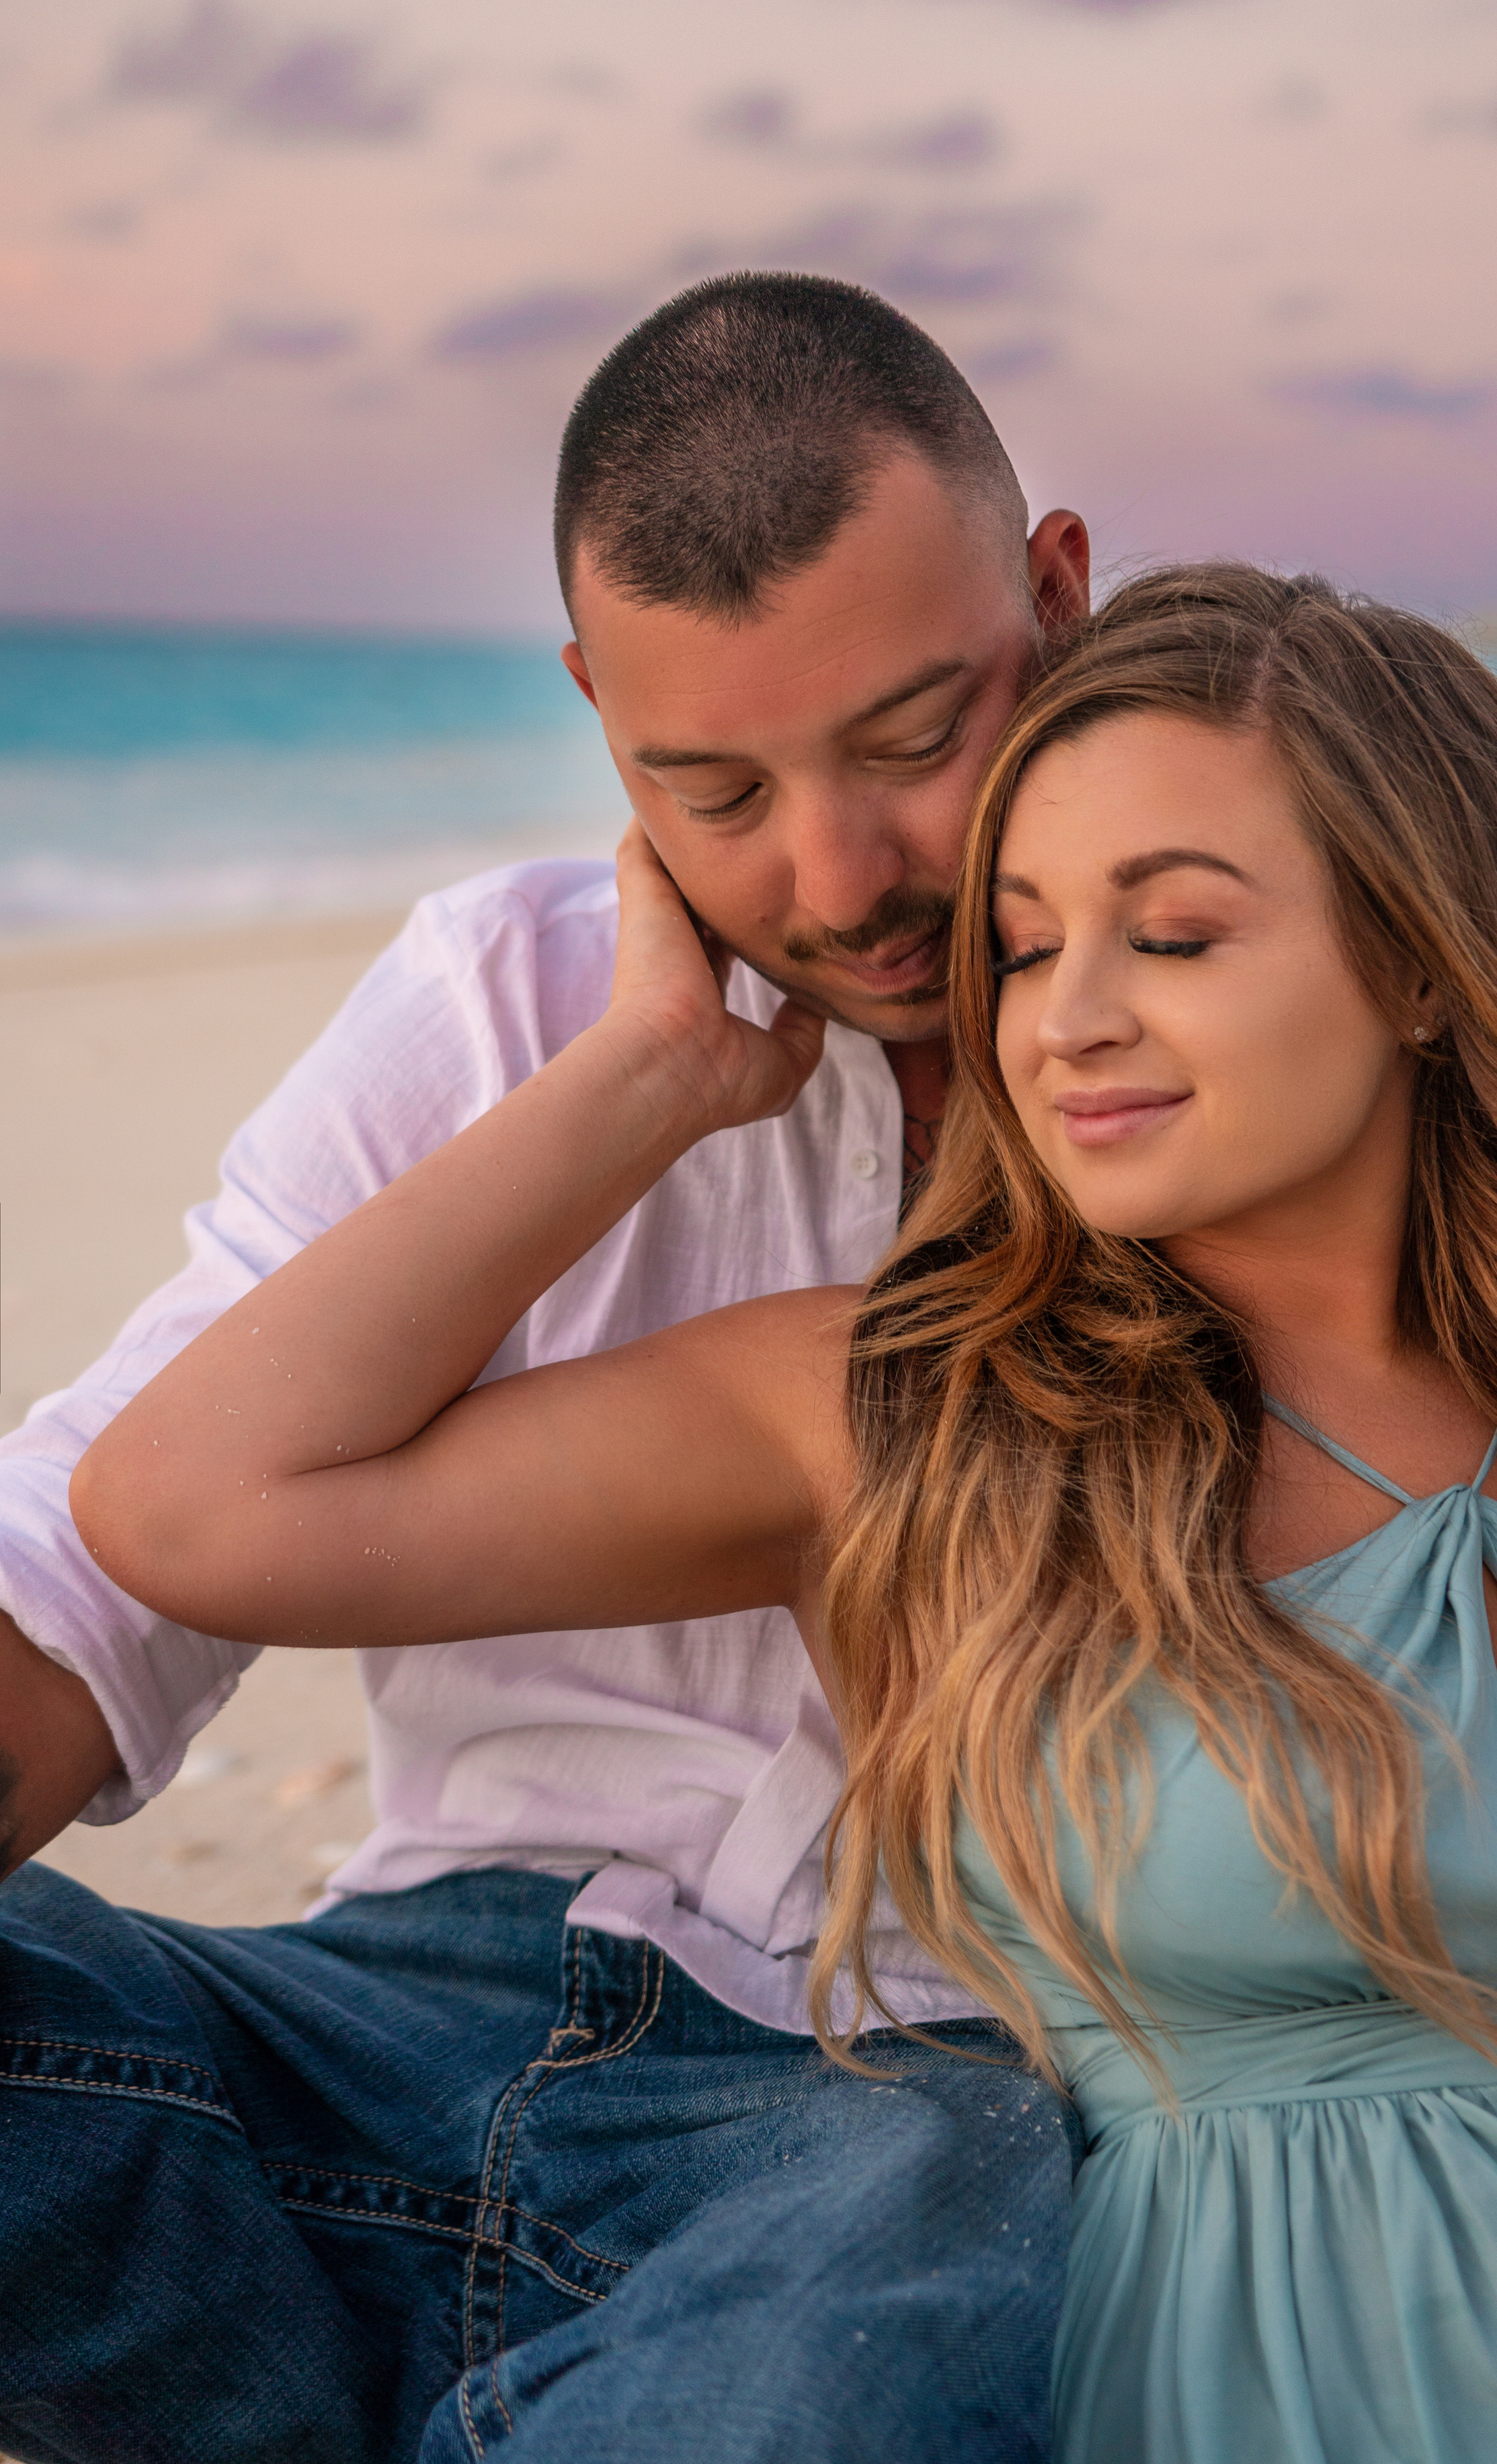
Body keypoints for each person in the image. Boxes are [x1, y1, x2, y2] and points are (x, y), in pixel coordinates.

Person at [79, 560, 1497, 2463]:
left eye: (1172, 934)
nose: (1066, 1020)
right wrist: (651, 1077)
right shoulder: (918, 1413)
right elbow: (189, 1505)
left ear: (1424, 964)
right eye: (1021, 948)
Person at [0, 274, 1091, 2463]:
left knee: (861, 2340)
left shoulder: (1219, 1032)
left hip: (888, 2098)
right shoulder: (503, 1001)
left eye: (912, 737)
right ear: (599, 712)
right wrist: (647, 1081)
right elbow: (94, 1568)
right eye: (711, 785)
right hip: (373, 2029)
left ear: (1058, 598)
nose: (836, 873)